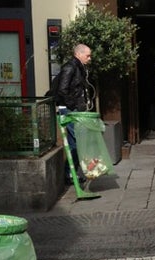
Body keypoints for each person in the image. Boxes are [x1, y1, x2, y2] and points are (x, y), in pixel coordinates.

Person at [56, 44, 93, 185]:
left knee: (75, 143)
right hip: (70, 109)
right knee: (77, 142)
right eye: (87, 55)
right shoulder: (70, 67)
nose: (89, 58)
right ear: (78, 54)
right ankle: (69, 173)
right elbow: (62, 90)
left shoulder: (78, 67)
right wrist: (73, 106)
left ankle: (71, 173)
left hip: (74, 109)